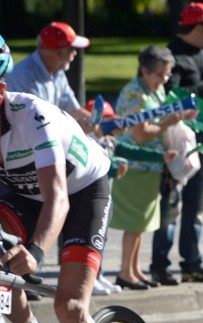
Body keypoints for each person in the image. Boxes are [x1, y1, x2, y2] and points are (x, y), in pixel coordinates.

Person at [0, 37, 126, 323]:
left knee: (71, 306)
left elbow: (56, 198)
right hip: (19, 195)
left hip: (81, 190)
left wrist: (35, 250)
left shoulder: (30, 115)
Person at [4, 21, 121, 295]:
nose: (74, 56)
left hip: (71, 175)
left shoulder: (56, 73)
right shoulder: (25, 78)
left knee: (71, 306)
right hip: (25, 162)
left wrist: (101, 125)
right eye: (71, 50)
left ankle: (80, 276)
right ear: (56, 51)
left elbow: (73, 113)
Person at [150, 1, 203, 285]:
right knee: (170, 205)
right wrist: (200, 90)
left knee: (196, 205)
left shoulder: (201, 53)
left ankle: (192, 265)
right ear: (197, 27)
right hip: (177, 139)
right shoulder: (172, 55)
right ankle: (159, 265)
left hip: (202, 138)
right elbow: (168, 94)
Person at [111, 46, 186, 291]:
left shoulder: (152, 89)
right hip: (134, 165)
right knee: (135, 222)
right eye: (160, 75)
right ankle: (125, 272)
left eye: (167, 75)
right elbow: (141, 134)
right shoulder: (135, 94)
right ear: (145, 71)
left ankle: (135, 270)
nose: (164, 80)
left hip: (151, 164)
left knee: (142, 223)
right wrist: (168, 122)